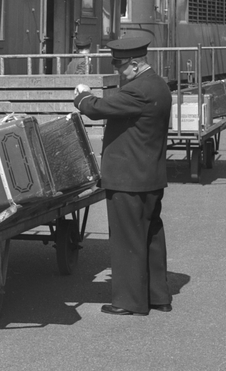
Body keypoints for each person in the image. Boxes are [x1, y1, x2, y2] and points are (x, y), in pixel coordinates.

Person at [73, 36, 173, 316]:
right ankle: (158, 296)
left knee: (126, 240)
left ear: (135, 64)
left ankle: (129, 301)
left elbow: (95, 108)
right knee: (150, 236)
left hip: (129, 179)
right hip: (150, 176)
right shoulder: (159, 85)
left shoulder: (137, 91)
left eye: (119, 64)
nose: (116, 68)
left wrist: (81, 95)